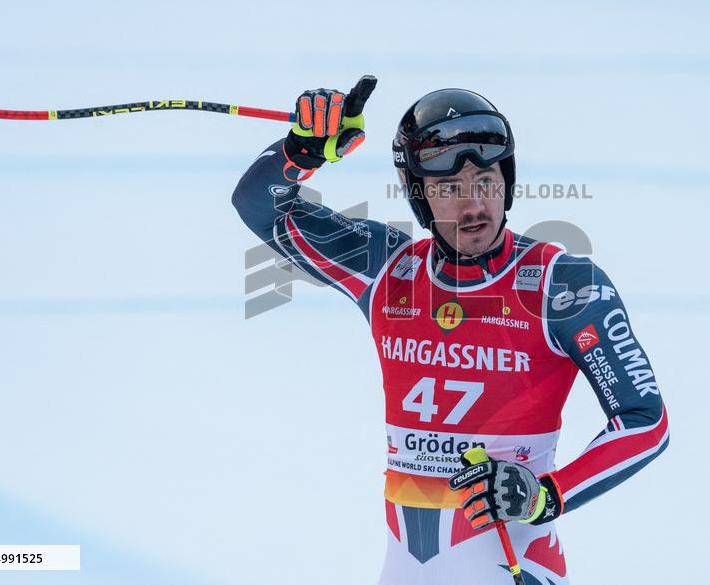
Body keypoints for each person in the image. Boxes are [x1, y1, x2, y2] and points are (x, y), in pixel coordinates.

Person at [232, 76, 669, 584]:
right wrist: (300, 151)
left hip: (516, 568)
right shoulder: (386, 269)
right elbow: (259, 206)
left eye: (486, 182)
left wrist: (545, 494)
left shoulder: (562, 284)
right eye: (449, 189)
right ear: (419, 196)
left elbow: (643, 422)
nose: (474, 205)